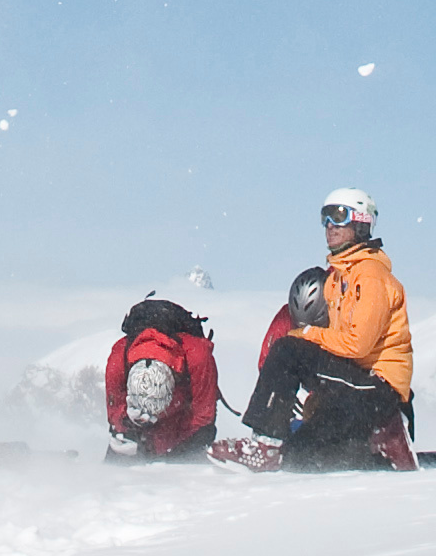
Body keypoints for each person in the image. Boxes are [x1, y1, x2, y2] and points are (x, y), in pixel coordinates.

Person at [237, 187, 415, 470]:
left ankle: (264, 445)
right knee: (299, 458)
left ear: (360, 222)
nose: (329, 226)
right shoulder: (337, 279)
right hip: (353, 387)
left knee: (288, 350)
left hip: (378, 389)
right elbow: (336, 348)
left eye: (338, 215)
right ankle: (385, 450)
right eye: (325, 217)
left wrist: (306, 336)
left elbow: (358, 345)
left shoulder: (370, 275)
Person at [103, 295, 221, 461]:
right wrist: (126, 427)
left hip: (183, 429)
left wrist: (172, 451)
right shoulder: (118, 359)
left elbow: (203, 416)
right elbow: (114, 410)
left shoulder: (198, 356)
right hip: (134, 432)